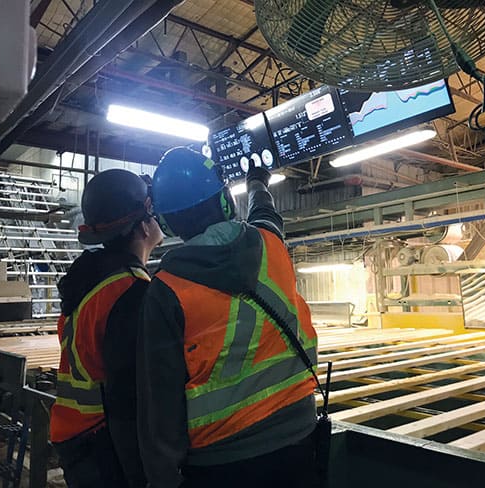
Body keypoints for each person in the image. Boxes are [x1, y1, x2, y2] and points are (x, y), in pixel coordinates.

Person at [137, 147, 319, 488]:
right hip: (298, 435)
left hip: (221, 460)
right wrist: (256, 183)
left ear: (166, 222)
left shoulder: (166, 289)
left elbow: (159, 399)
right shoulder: (270, 244)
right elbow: (265, 213)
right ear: (225, 201)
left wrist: (162, 478)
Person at [50, 169, 163, 488]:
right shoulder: (130, 292)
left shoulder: (91, 281)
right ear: (143, 225)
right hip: (104, 448)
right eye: (152, 212)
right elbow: (128, 400)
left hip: (78, 438)